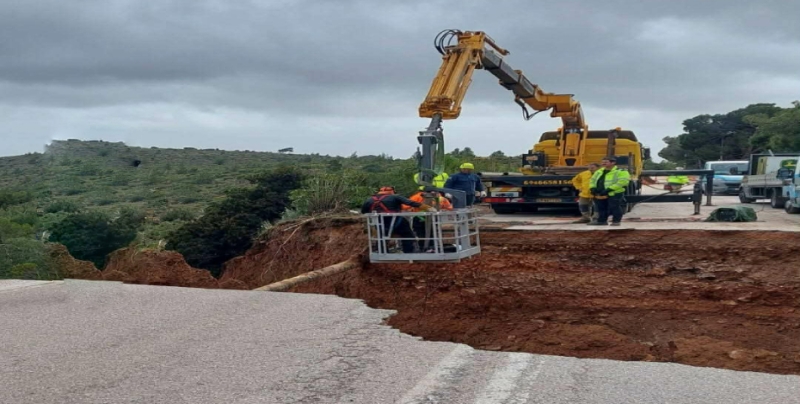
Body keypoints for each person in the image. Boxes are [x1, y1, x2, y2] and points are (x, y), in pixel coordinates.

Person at [361, 186, 430, 253]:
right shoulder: (395, 197)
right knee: (407, 235)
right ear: (392, 191)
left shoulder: (370, 200)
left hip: (380, 224)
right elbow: (410, 203)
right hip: (397, 222)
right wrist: (427, 207)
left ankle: (381, 251)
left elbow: (363, 211)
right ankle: (408, 251)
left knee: (381, 237)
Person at [589, 156, 631, 226]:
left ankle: (616, 221)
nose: (603, 163)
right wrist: (592, 188)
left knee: (614, 207)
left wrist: (609, 189)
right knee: (601, 207)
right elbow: (592, 180)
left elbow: (623, 182)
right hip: (600, 193)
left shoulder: (621, 171)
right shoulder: (599, 171)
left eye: (606, 162)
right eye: (602, 162)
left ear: (613, 163)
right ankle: (602, 221)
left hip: (614, 193)